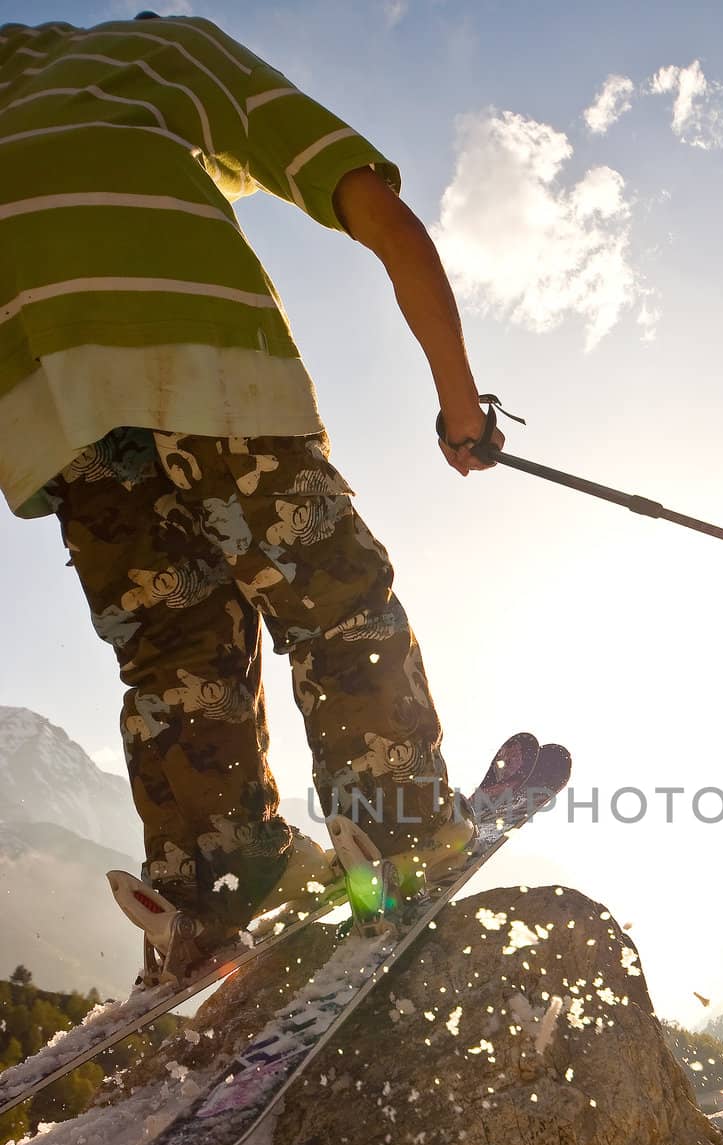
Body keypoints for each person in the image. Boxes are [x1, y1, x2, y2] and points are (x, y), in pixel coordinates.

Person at [0, 12, 504, 980]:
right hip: (206, 364)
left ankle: (204, 886)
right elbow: (380, 215)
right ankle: (393, 835)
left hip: (43, 407)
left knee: (174, 652)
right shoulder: (167, 51)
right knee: (330, 597)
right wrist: (457, 405)